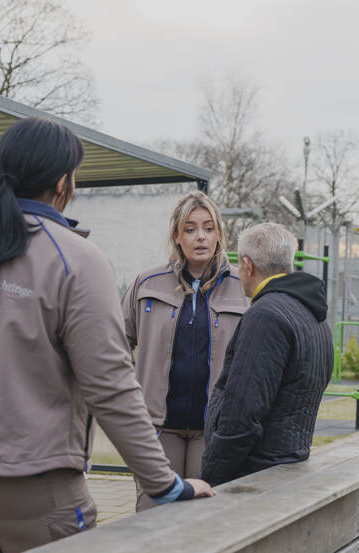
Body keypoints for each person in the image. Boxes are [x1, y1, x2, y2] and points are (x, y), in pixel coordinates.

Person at [0, 118, 213, 553]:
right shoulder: (76, 258)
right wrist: (165, 484)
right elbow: (110, 387)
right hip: (22, 482)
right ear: (63, 182)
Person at [122, 190, 249, 510]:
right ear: (176, 236)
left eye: (208, 228)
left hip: (214, 429)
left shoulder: (241, 286)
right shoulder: (147, 283)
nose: (200, 237)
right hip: (158, 426)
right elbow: (116, 343)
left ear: (219, 233)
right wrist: (130, 396)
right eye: (190, 229)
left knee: (204, 516)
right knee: (153, 513)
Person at [200, 223, 333, 486]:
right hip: (289, 468)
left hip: (253, 477)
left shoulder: (265, 316)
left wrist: (211, 477)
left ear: (248, 266)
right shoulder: (314, 316)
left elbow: (242, 415)